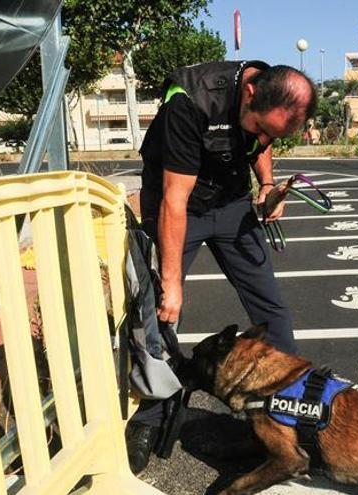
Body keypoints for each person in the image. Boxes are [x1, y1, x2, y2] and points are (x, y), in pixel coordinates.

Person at [127, 60, 317, 473]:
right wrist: (173, 284)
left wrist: (267, 186)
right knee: (158, 314)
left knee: (271, 308)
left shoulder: (266, 90)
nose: (265, 138)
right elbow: (175, 200)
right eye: (261, 127)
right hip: (179, 207)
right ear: (249, 94)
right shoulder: (189, 103)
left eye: (275, 134)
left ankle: (293, 410)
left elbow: (261, 144)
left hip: (231, 204)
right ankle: (150, 419)